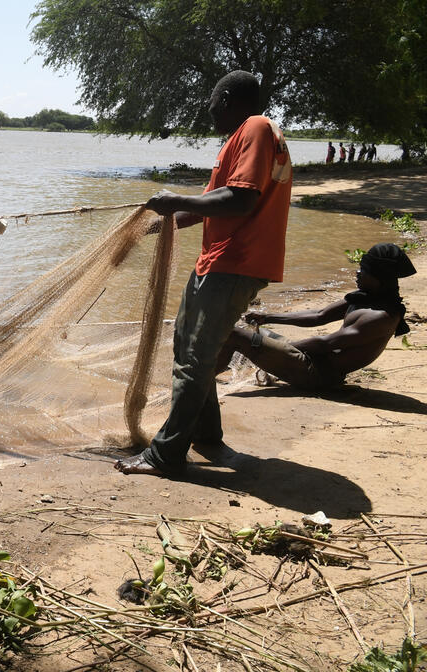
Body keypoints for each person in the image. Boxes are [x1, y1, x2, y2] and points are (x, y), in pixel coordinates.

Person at [116, 70, 293, 476]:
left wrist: (173, 195)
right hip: (219, 261)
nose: (209, 109)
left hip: (236, 261)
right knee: (189, 348)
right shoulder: (244, 137)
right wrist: (161, 222)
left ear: (227, 97)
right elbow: (213, 203)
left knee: (194, 359)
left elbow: (241, 199)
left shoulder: (256, 128)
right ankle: (206, 434)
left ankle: (165, 454)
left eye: (212, 101)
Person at [217, 243, 416, 389]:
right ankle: (220, 370)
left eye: (363, 270)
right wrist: (268, 317)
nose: (357, 273)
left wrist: (276, 349)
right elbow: (319, 315)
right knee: (250, 333)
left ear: (379, 279)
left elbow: (325, 344)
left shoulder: (382, 317)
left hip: (317, 375)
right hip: (311, 359)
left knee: (233, 334)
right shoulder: (366, 298)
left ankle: (202, 378)